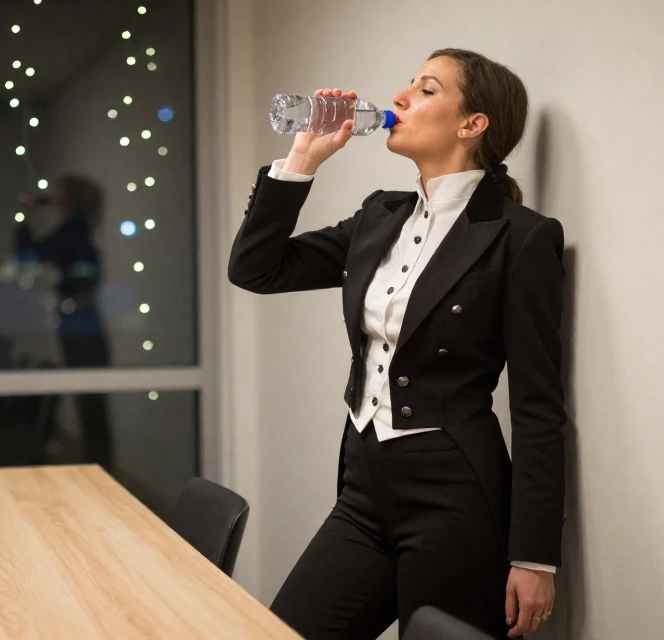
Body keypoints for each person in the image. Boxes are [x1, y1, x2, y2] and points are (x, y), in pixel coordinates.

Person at [228, 49, 565, 639]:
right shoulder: (380, 216)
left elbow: (538, 406)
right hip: (363, 488)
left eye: (426, 89)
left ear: (472, 123)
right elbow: (257, 269)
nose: (401, 98)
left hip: (454, 496)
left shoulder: (521, 237)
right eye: (407, 85)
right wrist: (302, 160)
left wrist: (534, 555)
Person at [16, 174, 112, 469]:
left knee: (91, 405)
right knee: (92, 405)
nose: (55, 196)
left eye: (60, 193)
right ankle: (100, 466)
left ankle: (100, 469)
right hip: (84, 323)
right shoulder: (81, 229)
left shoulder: (75, 229)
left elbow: (29, 254)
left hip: (81, 325)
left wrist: (26, 217)